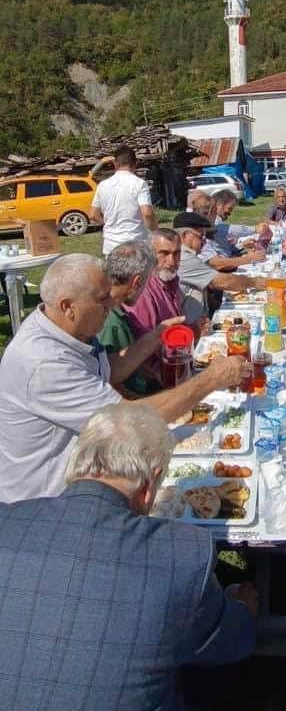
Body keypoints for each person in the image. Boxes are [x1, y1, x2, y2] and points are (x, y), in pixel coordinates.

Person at [0, 402, 257, 711]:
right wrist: (242, 603)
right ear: (150, 485)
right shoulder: (180, 554)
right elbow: (230, 643)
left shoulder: (8, 522)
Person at [0, 253, 250, 503]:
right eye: (102, 299)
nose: (112, 304)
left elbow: (108, 368)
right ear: (68, 306)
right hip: (45, 502)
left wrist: (155, 336)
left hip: (83, 475)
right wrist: (212, 379)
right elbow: (131, 421)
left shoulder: (66, 326)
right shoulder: (45, 364)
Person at [173, 211, 267, 322]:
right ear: (184, 236)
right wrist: (255, 282)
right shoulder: (184, 257)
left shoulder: (188, 253)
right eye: (201, 236)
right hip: (190, 328)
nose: (204, 241)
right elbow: (222, 281)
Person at [99, 241, 162, 395]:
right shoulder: (109, 322)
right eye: (146, 281)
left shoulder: (115, 309)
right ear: (136, 282)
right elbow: (110, 384)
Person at [89, 145, 157, 255]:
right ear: (135, 163)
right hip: (136, 244)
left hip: (111, 246)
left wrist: (108, 224)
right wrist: (155, 231)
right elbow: (147, 213)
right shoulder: (139, 184)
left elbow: (93, 215)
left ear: (115, 164)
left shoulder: (102, 185)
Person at [192, 191, 266, 271]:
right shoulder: (199, 236)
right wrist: (249, 258)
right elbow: (218, 264)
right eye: (230, 208)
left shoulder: (205, 232)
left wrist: (242, 246)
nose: (230, 213)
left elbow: (225, 248)